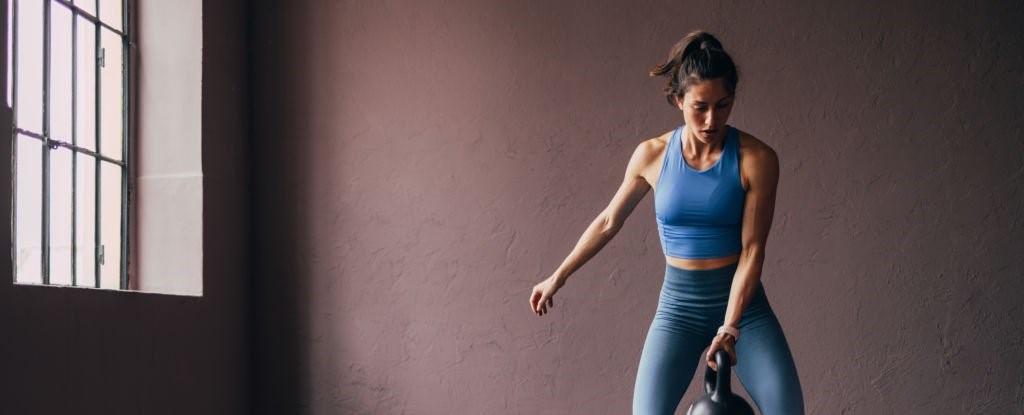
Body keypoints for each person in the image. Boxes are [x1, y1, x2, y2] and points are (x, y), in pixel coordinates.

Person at [528, 31, 804, 415]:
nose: (712, 120)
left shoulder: (756, 159)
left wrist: (729, 327)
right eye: (700, 107)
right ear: (678, 100)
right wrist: (557, 275)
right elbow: (609, 221)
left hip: (744, 305)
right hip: (679, 307)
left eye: (723, 105)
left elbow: (753, 250)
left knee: (787, 409)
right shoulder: (652, 155)